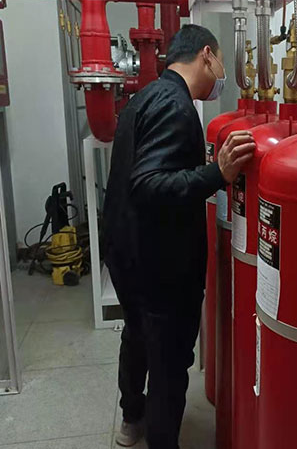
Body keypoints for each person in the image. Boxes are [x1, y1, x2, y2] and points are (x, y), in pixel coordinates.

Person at [102, 24, 256, 448]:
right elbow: (148, 184)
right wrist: (217, 174)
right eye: (220, 61)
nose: (221, 73)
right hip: (160, 265)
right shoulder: (176, 105)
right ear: (207, 55)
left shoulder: (144, 97)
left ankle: (132, 418)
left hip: (126, 252)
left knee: (136, 336)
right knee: (169, 360)